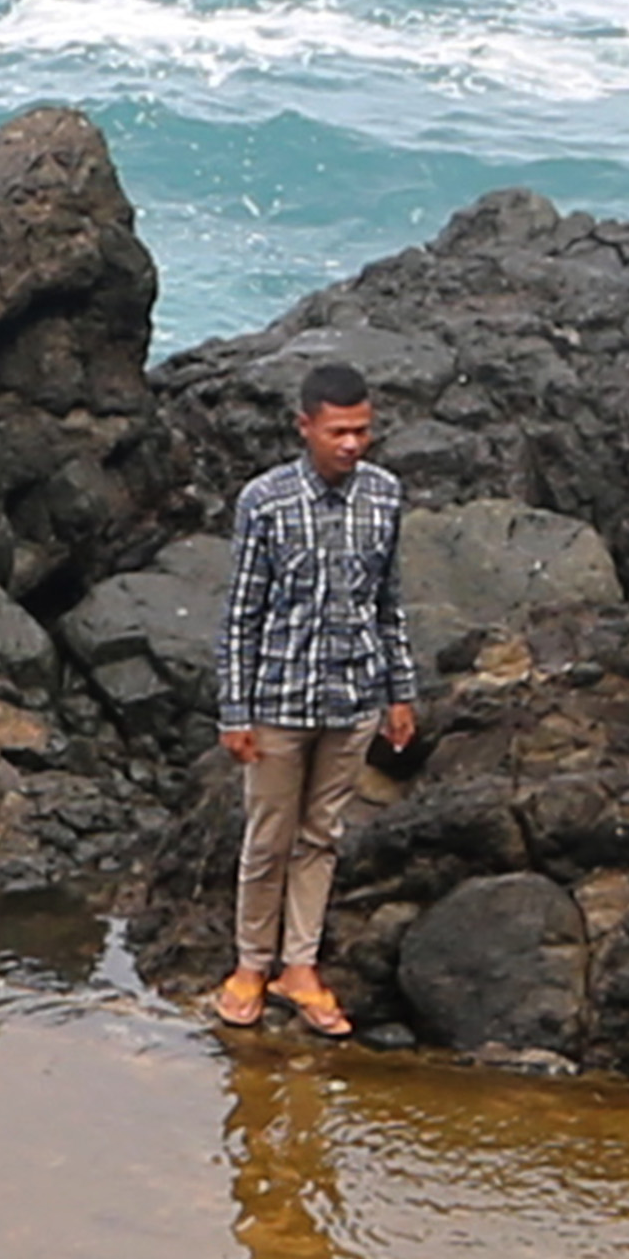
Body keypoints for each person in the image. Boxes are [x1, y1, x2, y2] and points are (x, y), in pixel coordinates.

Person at [210, 360, 419, 1040]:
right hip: (279, 699)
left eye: (362, 430)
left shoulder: (385, 496)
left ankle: (300, 966)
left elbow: (388, 604)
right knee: (267, 836)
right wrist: (234, 710)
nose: (352, 444)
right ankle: (250, 965)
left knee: (322, 835)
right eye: (338, 431)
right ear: (306, 427)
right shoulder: (265, 501)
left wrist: (399, 693)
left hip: (353, 696)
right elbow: (242, 613)